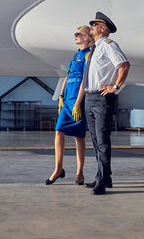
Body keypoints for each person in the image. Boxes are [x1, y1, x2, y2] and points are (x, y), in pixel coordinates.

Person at [73, 12, 130, 195]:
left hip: (101, 98)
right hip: (90, 98)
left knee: (103, 141)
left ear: (103, 28)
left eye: (94, 24)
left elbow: (124, 65)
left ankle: (103, 181)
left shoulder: (108, 46)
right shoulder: (94, 49)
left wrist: (115, 86)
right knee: (97, 141)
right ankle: (103, 177)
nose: (91, 27)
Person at [45, 26, 94, 186]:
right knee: (59, 131)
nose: (75, 36)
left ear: (86, 37)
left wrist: (78, 104)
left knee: (78, 137)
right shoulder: (75, 55)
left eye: (78, 34)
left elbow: (85, 81)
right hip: (67, 100)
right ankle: (58, 169)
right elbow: (68, 76)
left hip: (78, 100)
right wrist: (60, 95)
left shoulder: (88, 55)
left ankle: (80, 173)